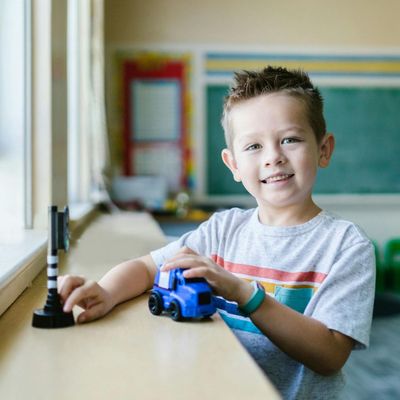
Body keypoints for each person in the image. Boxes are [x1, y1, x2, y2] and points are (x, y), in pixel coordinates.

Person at [59, 66, 375, 400]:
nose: (273, 157)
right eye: (253, 146)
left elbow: (329, 355)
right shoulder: (223, 229)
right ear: (234, 165)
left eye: (290, 139)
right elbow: (147, 268)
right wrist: (106, 293)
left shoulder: (346, 246)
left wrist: (245, 294)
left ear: (323, 149)